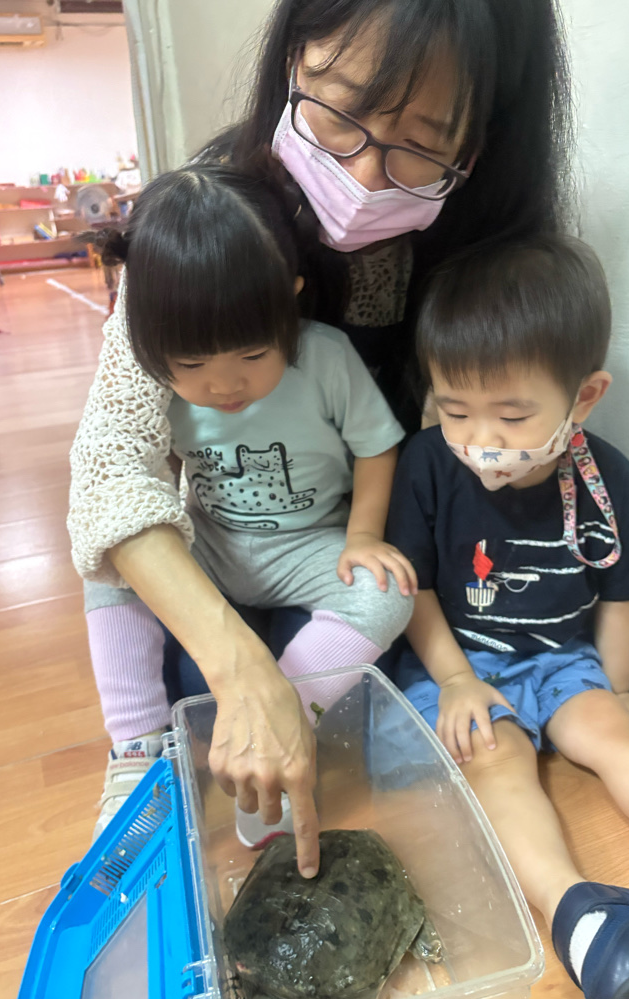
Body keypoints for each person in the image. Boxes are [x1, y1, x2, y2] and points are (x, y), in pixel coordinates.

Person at [69, 0, 572, 876]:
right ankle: (139, 754)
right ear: (293, 58)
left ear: (479, 144)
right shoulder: (200, 233)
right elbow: (112, 467)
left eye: (420, 145)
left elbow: (407, 453)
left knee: (383, 700)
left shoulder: (476, 253)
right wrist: (242, 673)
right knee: (172, 665)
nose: (366, 175)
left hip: (333, 550)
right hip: (222, 547)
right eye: (341, 108)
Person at [386, 234, 629, 999]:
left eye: (513, 415)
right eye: (455, 410)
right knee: (494, 759)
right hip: (459, 662)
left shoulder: (610, 479)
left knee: (612, 739)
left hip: (563, 661)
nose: (482, 438)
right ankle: (584, 923)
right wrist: (455, 679)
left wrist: (616, 691)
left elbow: (620, 595)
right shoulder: (427, 465)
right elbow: (413, 589)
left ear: (584, 397)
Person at [86, 165, 416, 846]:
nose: (224, 384)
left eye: (253, 353)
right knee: (107, 557)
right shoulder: (153, 373)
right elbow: (152, 475)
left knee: (388, 592)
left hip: (309, 544)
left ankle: (283, 713)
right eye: (192, 365)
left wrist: (362, 537)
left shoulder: (327, 358)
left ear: (289, 299)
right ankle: (138, 748)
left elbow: (378, 447)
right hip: (211, 544)